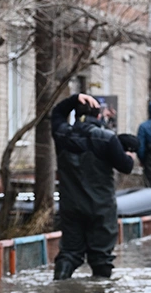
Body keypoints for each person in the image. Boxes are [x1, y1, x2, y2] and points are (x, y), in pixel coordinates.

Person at [51, 92, 139, 280]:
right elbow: (126, 167)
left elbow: (56, 113)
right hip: (101, 208)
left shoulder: (62, 133)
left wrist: (74, 98)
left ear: (75, 114)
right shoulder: (107, 138)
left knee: (69, 252)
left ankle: (60, 288)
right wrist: (129, 155)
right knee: (101, 258)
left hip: (71, 206)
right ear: (99, 116)